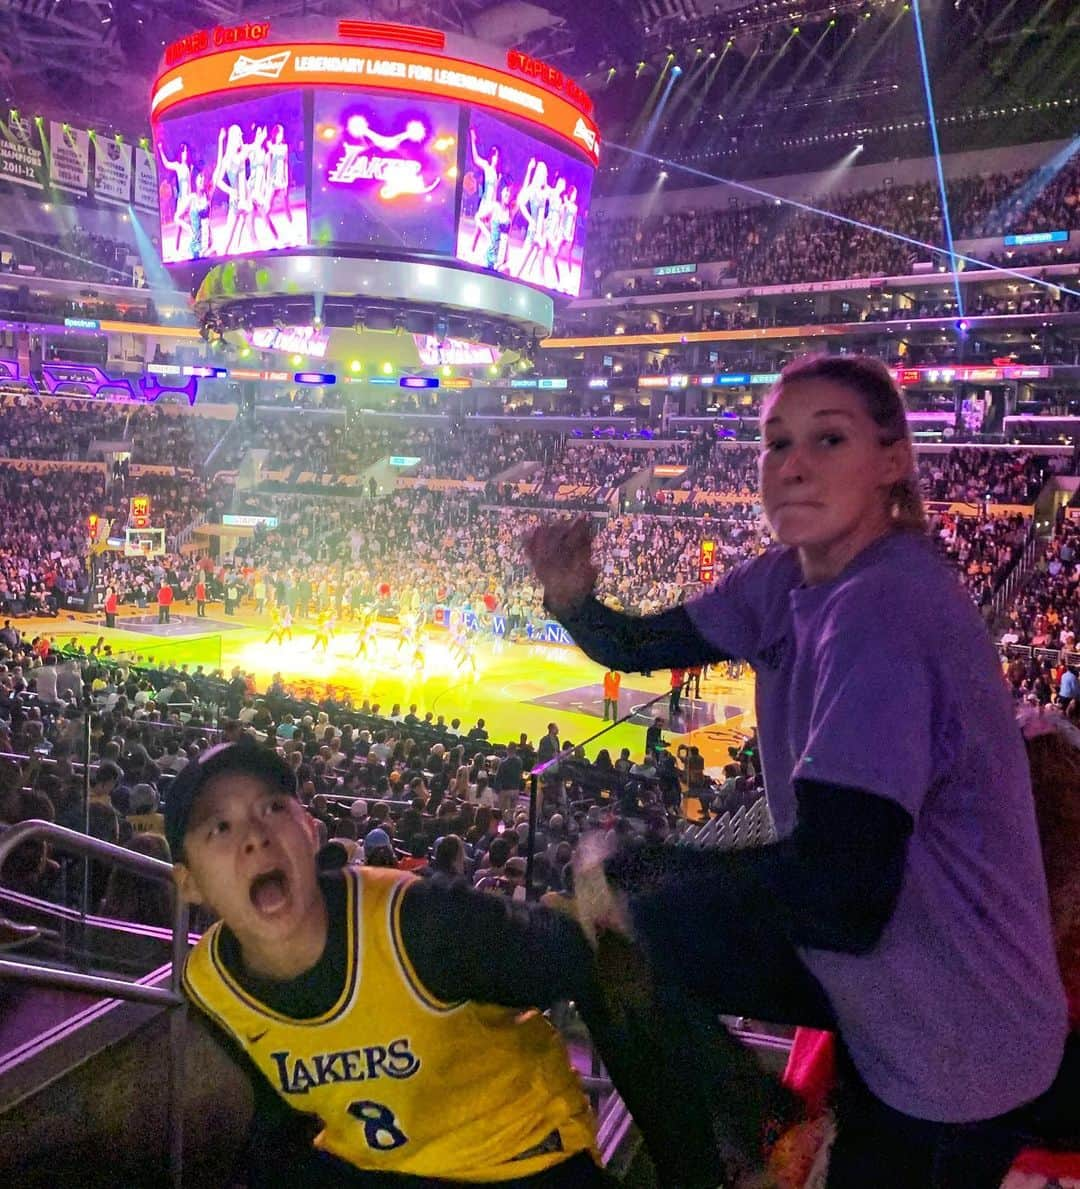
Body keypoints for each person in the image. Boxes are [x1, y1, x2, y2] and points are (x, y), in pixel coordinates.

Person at [526, 354, 1073, 1188]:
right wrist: (574, 601)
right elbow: (644, 647)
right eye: (776, 442)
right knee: (614, 930)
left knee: (621, 917)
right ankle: (763, 1131)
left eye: (828, 437)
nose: (793, 463)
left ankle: (753, 1138)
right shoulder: (784, 580)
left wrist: (640, 881)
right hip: (890, 979)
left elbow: (842, 894)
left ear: (892, 463)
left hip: (956, 1037)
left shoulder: (885, 608)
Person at [165, 742, 612, 1187]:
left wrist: (594, 903)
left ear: (311, 831)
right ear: (188, 884)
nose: (254, 837)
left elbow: (566, 951)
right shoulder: (209, 985)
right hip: (374, 1166)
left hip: (519, 1158)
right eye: (220, 827)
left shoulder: (418, 921)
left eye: (272, 808)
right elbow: (276, 1113)